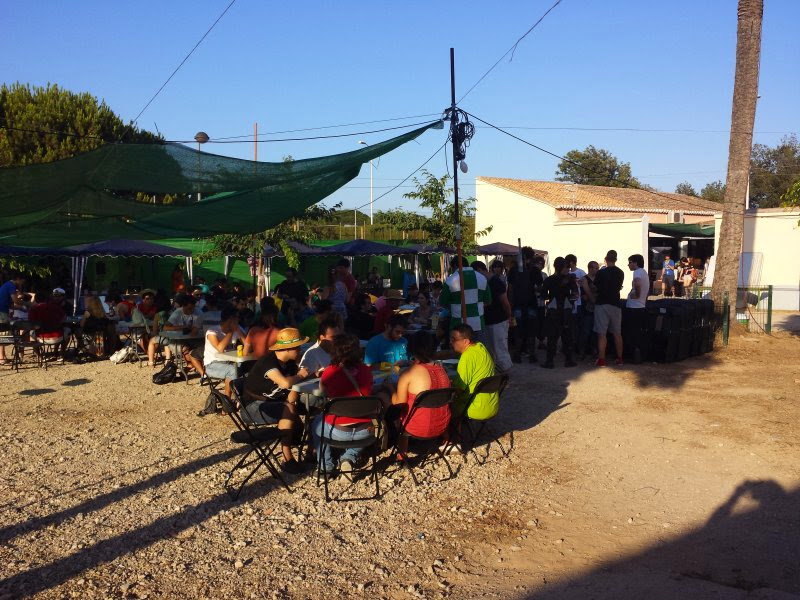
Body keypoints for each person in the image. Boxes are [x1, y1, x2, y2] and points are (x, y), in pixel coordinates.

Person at [242, 327, 311, 474]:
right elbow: (285, 383)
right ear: (288, 348)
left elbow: (292, 391)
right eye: (297, 347)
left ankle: (313, 450)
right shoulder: (268, 362)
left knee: (310, 405)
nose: (300, 349)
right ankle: (287, 457)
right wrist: (300, 376)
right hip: (253, 407)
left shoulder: (289, 363)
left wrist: (297, 383)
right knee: (289, 409)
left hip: (273, 402)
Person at [311, 332, 374, 475]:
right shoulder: (366, 370)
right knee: (370, 427)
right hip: (365, 431)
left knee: (316, 423)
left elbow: (323, 392)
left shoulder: (330, 371)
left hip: (337, 431)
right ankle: (349, 457)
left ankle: (325, 467)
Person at [385, 331, 452, 456]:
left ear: (412, 350)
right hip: (442, 425)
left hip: (417, 428)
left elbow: (398, 403)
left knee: (391, 411)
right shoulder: (441, 370)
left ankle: (401, 454)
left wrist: (390, 388)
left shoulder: (409, 373)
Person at [450, 324, 498, 424]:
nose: (451, 342)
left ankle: (454, 431)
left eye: (454, 339)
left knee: (444, 402)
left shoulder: (467, 357)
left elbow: (458, 388)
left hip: (474, 407)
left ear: (466, 341)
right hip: (491, 405)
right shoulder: (480, 347)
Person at [473, 260, 514, 374]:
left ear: (480, 270)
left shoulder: (495, 282)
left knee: (500, 349)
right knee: (493, 350)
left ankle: (506, 374)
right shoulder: (485, 282)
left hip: (499, 321)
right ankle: (500, 373)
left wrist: (509, 316)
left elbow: (505, 302)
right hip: (489, 321)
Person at [439, 256, 492, 343]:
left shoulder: (450, 280)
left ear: (455, 266)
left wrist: (454, 308)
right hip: (478, 324)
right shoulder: (482, 278)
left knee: (459, 351)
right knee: (478, 349)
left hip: (458, 326)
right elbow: (488, 301)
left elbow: (442, 302)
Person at [541, 257, 578, 369]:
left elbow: (543, 295)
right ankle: (568, 360)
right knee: (566, 336)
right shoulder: (570, 279)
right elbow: (575, 294)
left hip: (554, 309)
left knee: (553, 337)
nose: (568, 269)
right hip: (565, 309)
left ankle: (550, 361)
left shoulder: (549, 280)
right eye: (566, 267)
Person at [203, 306, 246, 399]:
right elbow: (220, 349)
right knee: (232, 370)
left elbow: (248, 345)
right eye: (237, 318)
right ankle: (227, 400)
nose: (239, 320)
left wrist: (238, 331)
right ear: (231, 319)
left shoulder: (238, 328)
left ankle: (244, 397)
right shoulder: (212, 331)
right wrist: (230, 332)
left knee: (247, 367)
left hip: (231, 361)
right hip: (212, 364)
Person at [593, 251, 625, 366]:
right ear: (615, 259)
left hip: (602, 303)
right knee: (617, 333)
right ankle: (619, 358)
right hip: (615, 304)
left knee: (602, 334)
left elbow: (595, 286)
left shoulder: (601, 272)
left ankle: (601, 359)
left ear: (606, 259)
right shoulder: (620, 272)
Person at [507, 247, 536, 363]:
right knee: (530, 331)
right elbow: (539, 286)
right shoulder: (534, 270)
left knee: (518, 331)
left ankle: (518, 355)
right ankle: (531, 355)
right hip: (530, 304)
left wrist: (510, 305)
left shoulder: (514, 270)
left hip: (518, 304)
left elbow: (510, 289)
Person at [624, 253, 650, 363]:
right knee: (638, 332)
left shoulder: (637, 272)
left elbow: (638, 283)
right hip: (640, 306)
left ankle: (635, 356)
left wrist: (637, 295)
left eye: (630, 262)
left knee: (633, 333)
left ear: (635, 263)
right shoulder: (644, 272)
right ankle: (639, 356)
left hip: (634, 307)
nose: (628, 265)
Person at [0, 272, 26, 364]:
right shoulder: (11, 286)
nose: (21, 284)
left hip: (3, 310)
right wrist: (28, 304)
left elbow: (11, 304)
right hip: (1, 312)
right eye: (22, 281)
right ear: (18, 279)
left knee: (3, 333)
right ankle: (1, 357)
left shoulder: (6, 285)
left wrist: (19, 308)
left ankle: (3, 356)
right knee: (3, 334)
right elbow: (16, 300)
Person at [577, 261, 599, 359]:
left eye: (597, 268)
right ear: (590, 268)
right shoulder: (584, 279)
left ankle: (593, 349)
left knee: (595, 331)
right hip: (587, 308)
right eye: (595, 268)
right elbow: (587, 292)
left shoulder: (598, 279)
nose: (597, 270)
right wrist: (594, 300)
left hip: (596, 308)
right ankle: (582, 350)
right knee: (585, 330)